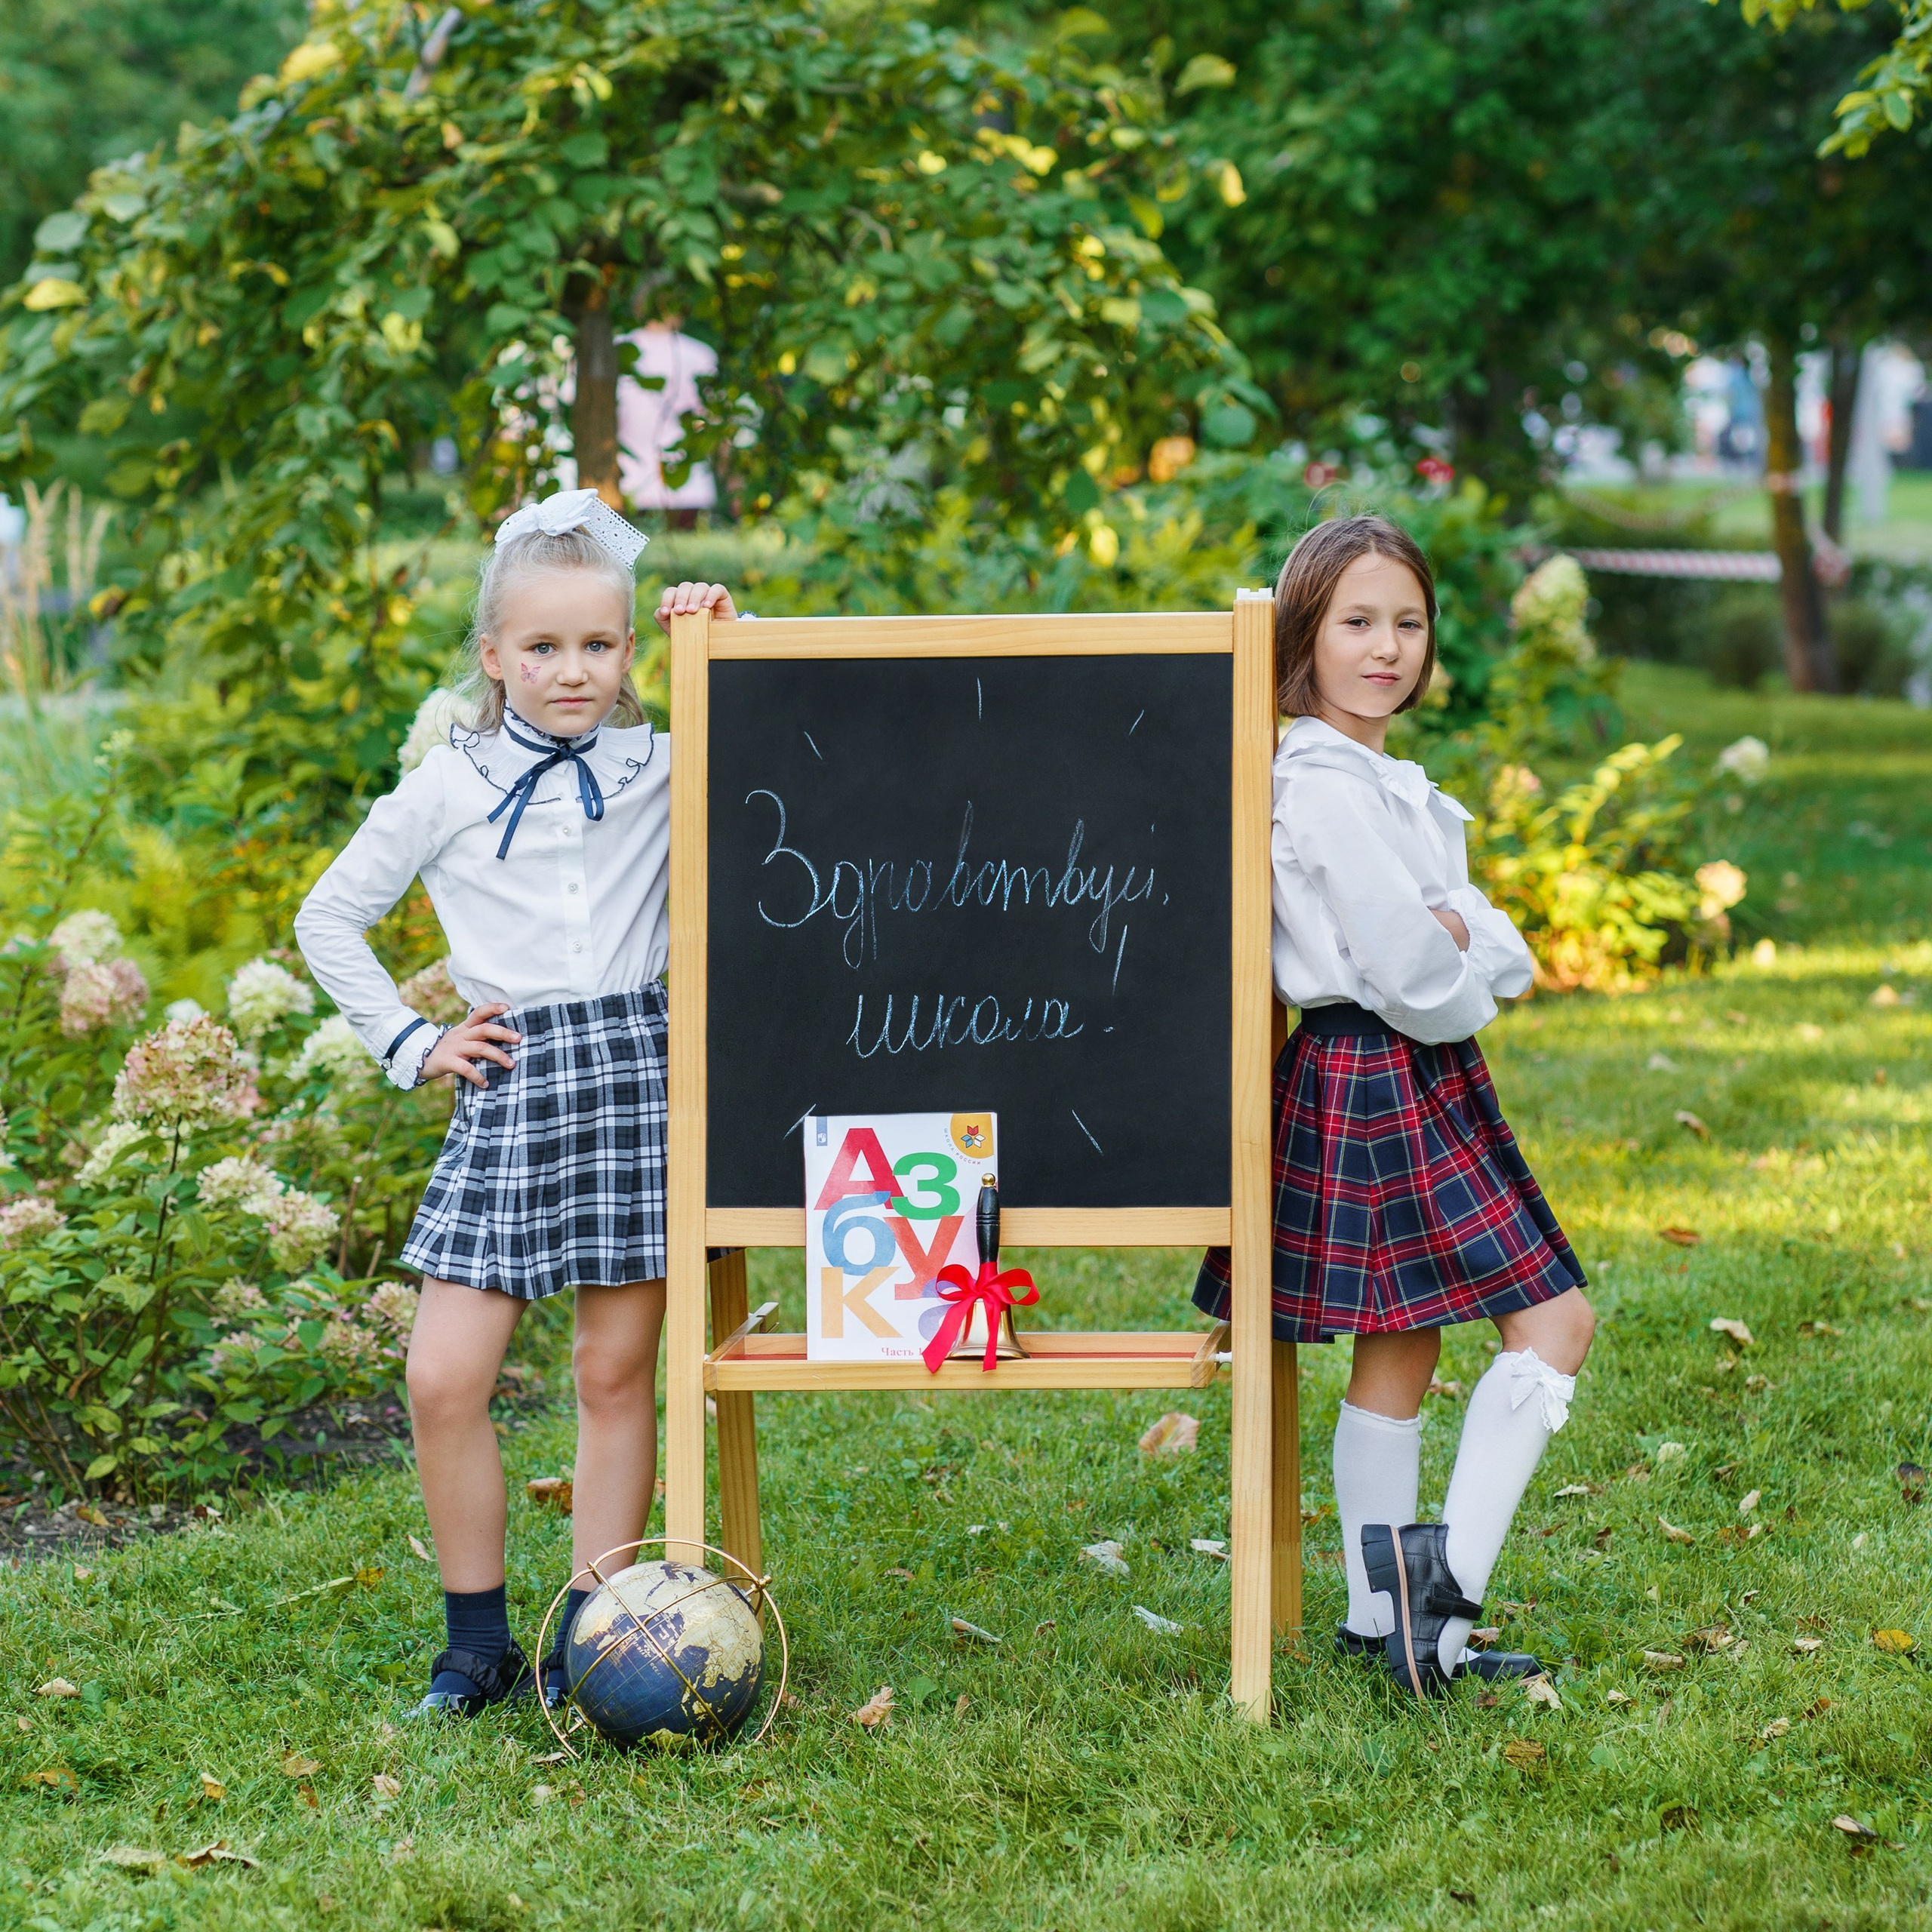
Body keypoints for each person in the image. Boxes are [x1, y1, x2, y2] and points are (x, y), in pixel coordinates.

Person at [294, 488, 740, 1717]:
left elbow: (779, 752)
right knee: (444, 1374)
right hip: (515, 1078)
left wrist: (722, 629)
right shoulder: (451, 782)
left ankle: (592, 1630)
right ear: (493, 657)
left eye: (599, 645)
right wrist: (412, 1038)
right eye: (541, 648)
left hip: (640, 1078)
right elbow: (327, 914)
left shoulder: (661, 759)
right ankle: (475, 1641)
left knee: (613, 1369)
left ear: (629, 652)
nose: (572, 671)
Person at [1194, 514, 1595, 1697]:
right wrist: (1456, 944)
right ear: (1304, 639)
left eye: (1406, 623)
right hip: (1379, 1065)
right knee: (1556, 1325)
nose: (1386, 648)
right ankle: (1441, 1619)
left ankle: (1384, 1628)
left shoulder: (1379, 780)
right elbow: (1423, 972)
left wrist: (1459, 938)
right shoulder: (1320, 787)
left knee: (1400, 1342)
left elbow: (1488, 942)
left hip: (1397, 1065)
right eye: (1355, 623)